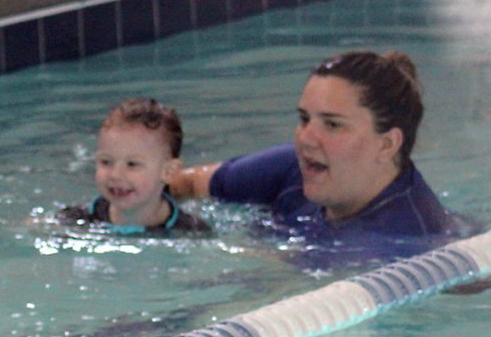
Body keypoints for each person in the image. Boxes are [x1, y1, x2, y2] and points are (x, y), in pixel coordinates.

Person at [165, 50, 468, 263]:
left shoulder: (407, 246)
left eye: (332, 124)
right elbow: (185, 185)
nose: (306, 138)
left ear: (387, 145)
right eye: (304, 119)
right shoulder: (296, 168)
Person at [58, 97, 211, 237]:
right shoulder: (75, 221)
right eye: (106, 162)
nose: (115, 174)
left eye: (132, 164)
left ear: (168, 172)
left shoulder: (192, 233)